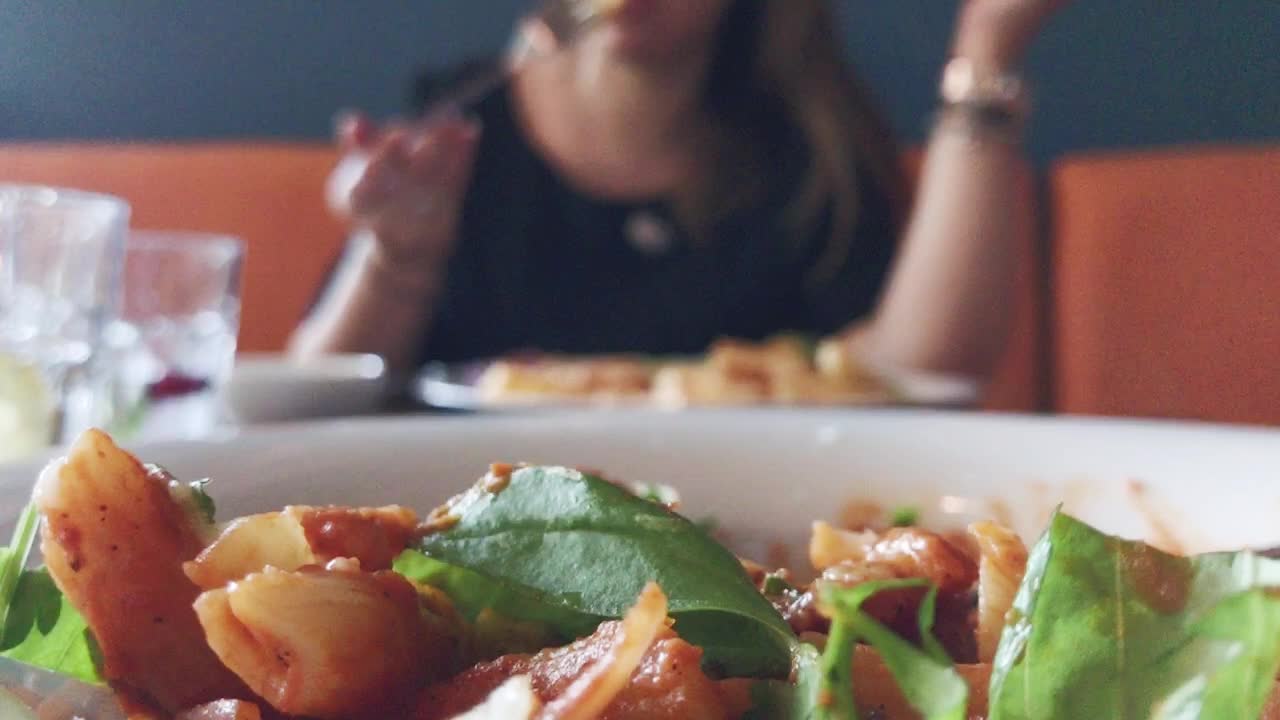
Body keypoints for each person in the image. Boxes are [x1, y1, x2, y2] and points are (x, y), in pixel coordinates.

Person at [291, 0, 1070, 382]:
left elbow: (921, 371)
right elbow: (316, 392)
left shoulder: (810, 155)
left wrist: (987, 41)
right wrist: (396, 260)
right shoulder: (458, 131)